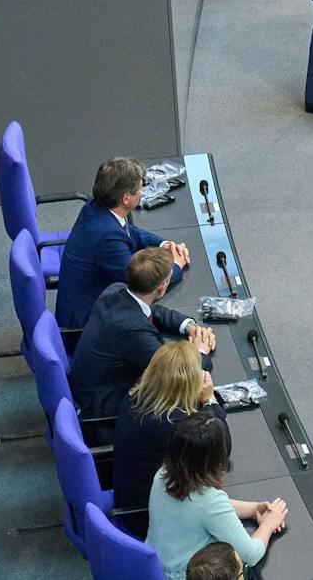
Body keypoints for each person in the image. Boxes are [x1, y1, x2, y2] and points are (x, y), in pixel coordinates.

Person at [69, 248, 217, 421]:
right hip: (104, 410)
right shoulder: (134, 332)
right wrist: (200, 351)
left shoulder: (115, 291)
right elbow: (177, 374)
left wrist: (188, 326)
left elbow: (152, 309)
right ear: (162, 287)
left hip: (87, 385)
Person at [56, 157, 191, 331]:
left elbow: (128, 230)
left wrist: (163, 244)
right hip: (87, 327)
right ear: (126, 198)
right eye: (140, 189)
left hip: (88, 303)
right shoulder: (107, 238)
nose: (142, 193)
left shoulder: (96, 207)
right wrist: (175, 266)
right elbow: (140, 285)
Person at [147, 412, 286, 578]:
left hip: (152, 567)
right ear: (217, 458)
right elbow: (252, 554)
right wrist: (268, 525)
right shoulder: (209, 502)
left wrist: (253, 508)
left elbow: (206, 509)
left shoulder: (163, 475)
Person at [113, 342, 225, 524]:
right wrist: (209, 401)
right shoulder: (177, 427)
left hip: (128, 497)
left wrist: (200, 354)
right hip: (151, 516)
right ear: (188, 384)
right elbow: (221, 448)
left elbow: (174, 370)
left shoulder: (134, 397)